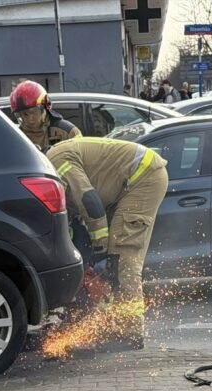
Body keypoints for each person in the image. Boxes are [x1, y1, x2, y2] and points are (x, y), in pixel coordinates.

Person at [46, 137, 168, 350]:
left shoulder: (57, 161)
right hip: (122, 189)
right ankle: (114, 324)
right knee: (112, 264)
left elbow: (90, 204)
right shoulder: (51, 172)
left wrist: (100, 250)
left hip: (143, 177)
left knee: (122, 261)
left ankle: (130, 332)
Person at [8, 80, 81, 152]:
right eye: (25, 114)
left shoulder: (67, 132)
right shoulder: (16, 137)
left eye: (33, 112)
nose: (30, 119)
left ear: (44, 108)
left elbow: (82, 157)